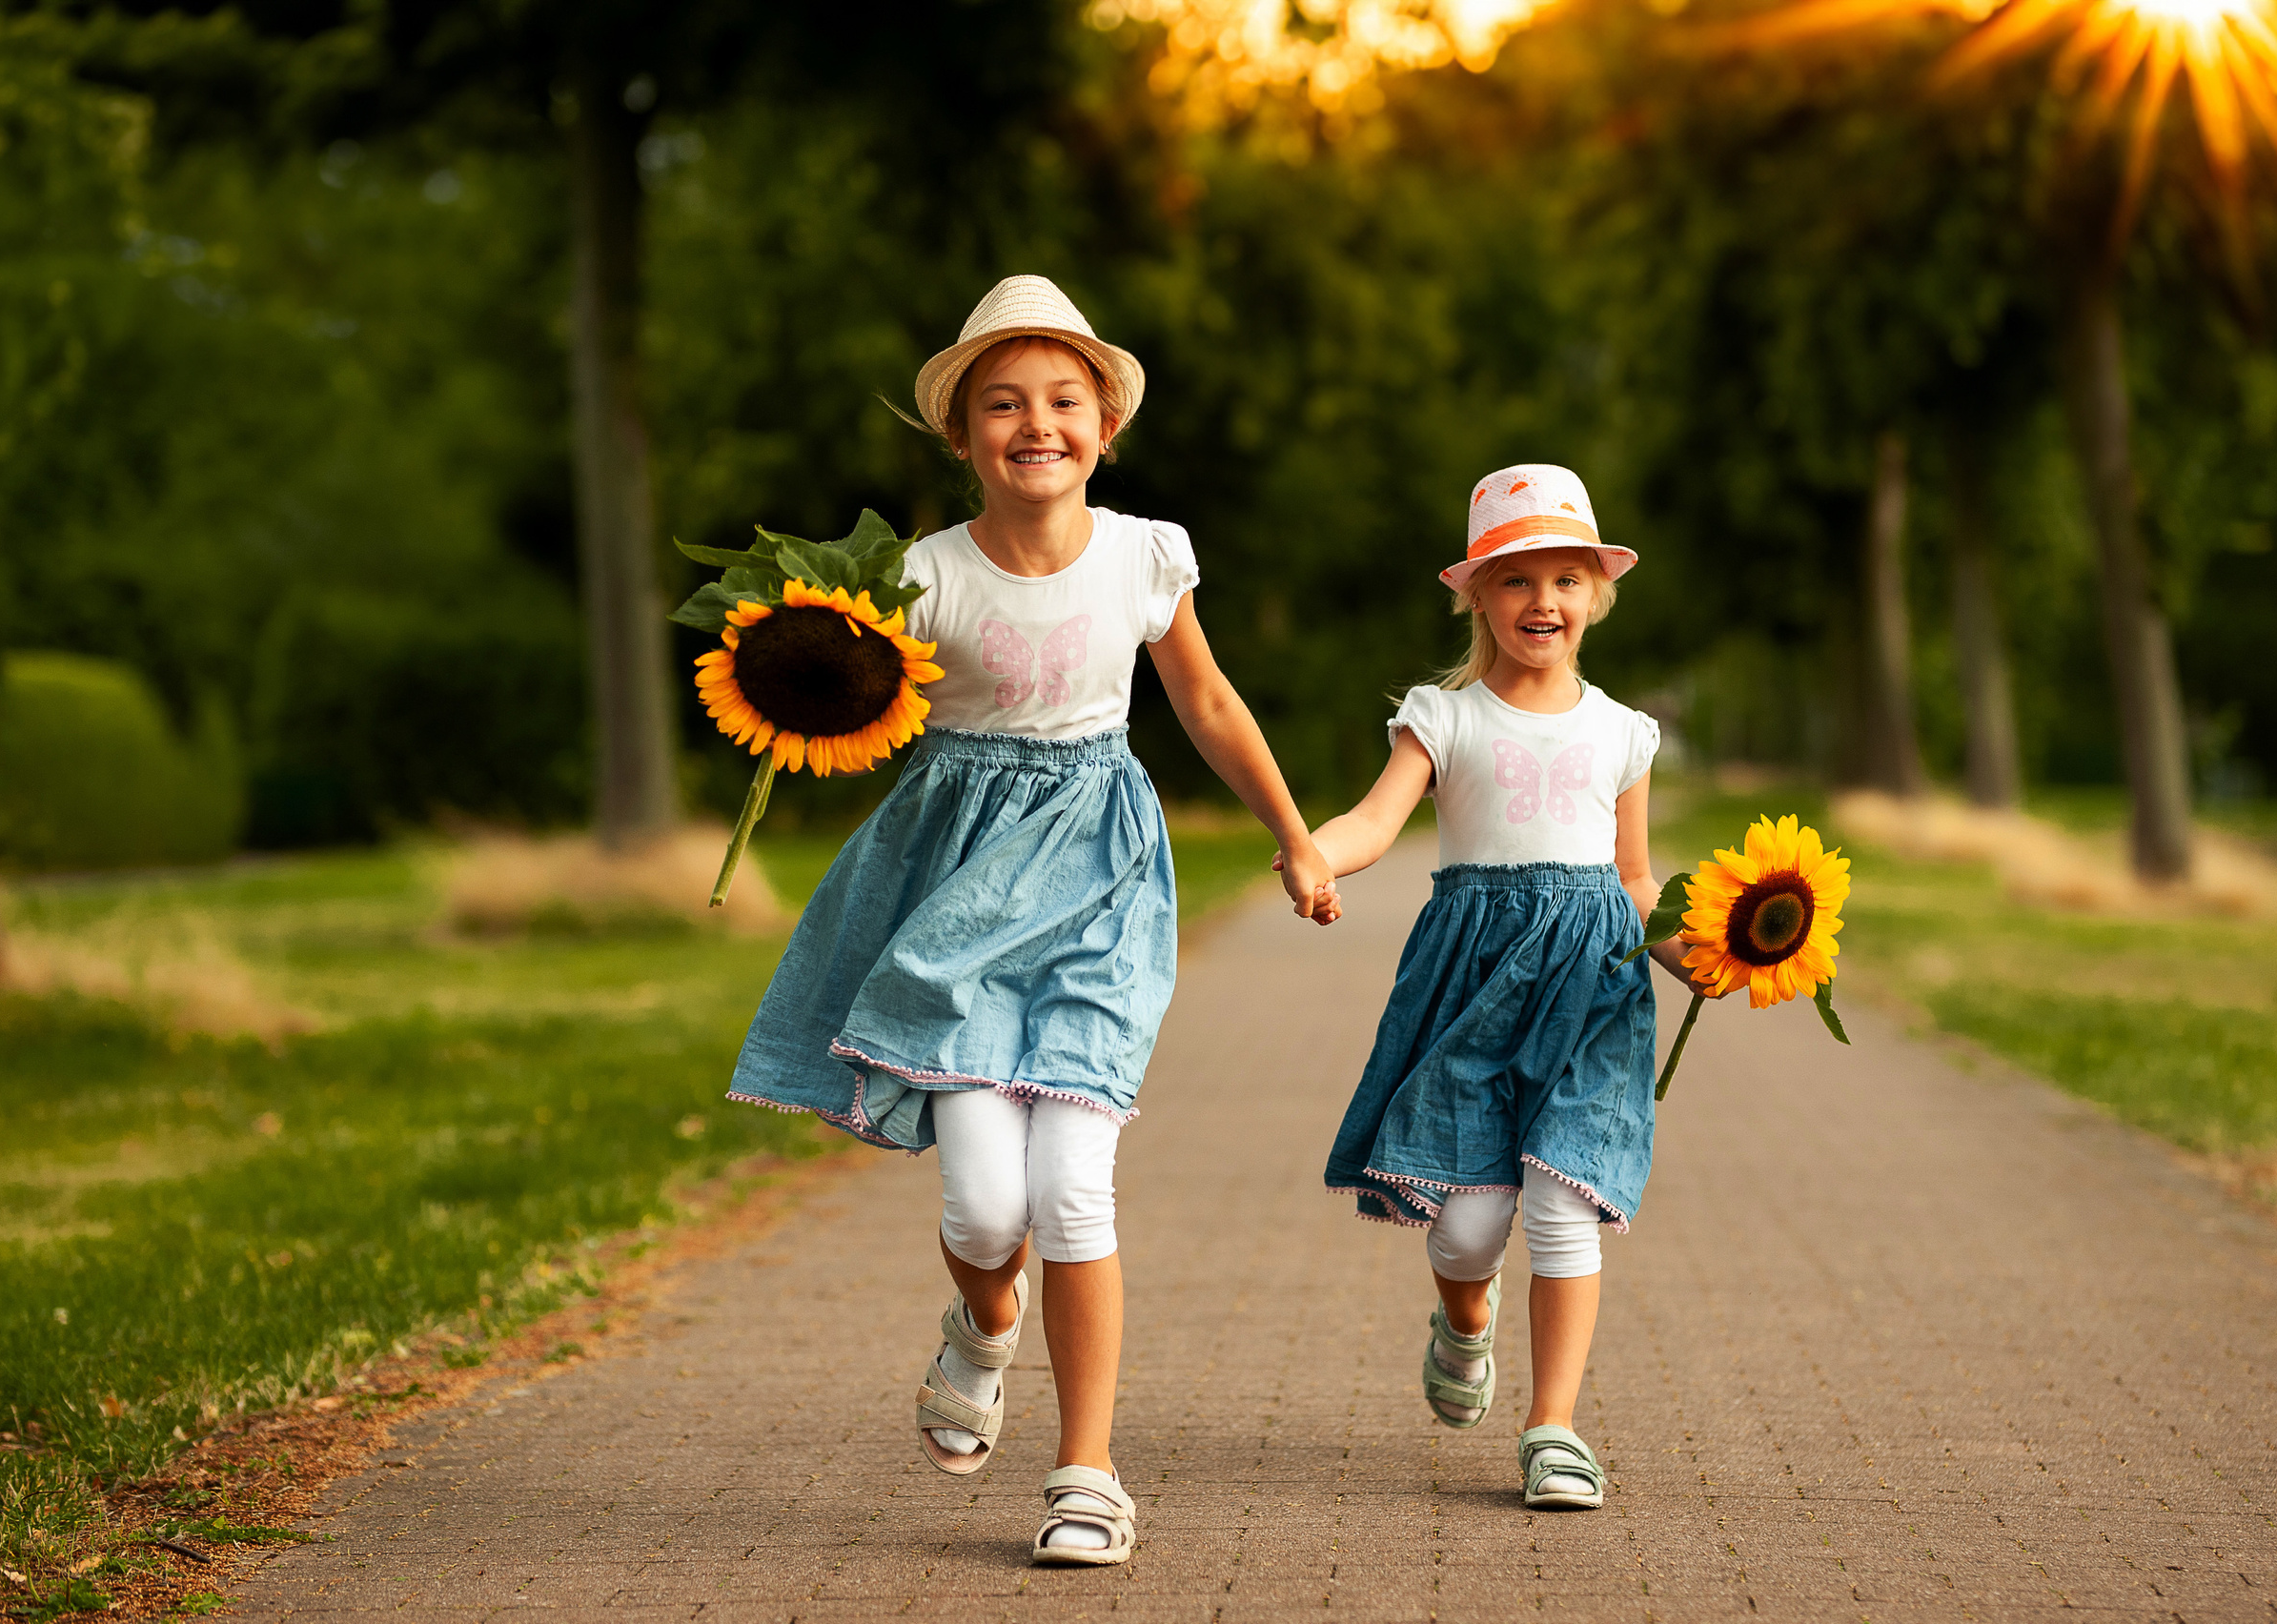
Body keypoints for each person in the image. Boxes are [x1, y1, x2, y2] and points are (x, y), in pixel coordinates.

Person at [724, 275, 1337, 1566]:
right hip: (955, 893)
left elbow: (1211, 706)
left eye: (1063, 399)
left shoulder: (1143, 556)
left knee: (1072, 1188)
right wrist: (796, 681)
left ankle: (1088, 1472)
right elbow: (831, 689)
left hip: (1101, 882)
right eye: (1002, 404)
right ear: (961, 438)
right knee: (985, 1211)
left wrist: (1293, 837)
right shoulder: (920, 579)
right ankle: (981, 1324)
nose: (1035, 423)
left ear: (1104, 422)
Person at [1303, 463, 1722, 1509]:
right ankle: (1464, 1316)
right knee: (1468, 1232)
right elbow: (1372, 820)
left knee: (1562, 1202)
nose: (1543, 601)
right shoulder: (1443, 719)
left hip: (1590, 991)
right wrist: (1315, 853)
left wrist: (1702, 955)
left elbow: (1633, 880)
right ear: (1477, 596)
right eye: (1516, 580)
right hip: (1471, 983)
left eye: (1566, 580)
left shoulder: (1623, 732)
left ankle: (1554, 1430)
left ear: (1596, 595)